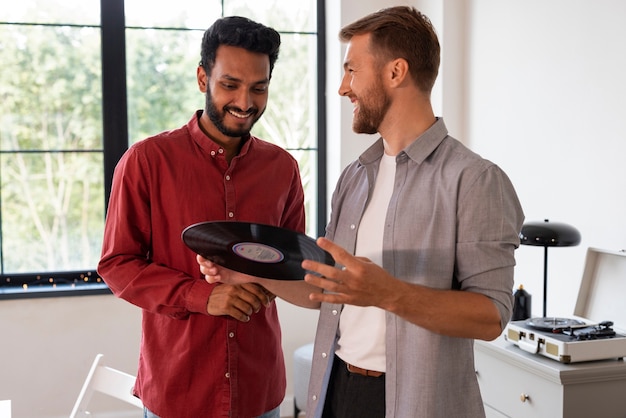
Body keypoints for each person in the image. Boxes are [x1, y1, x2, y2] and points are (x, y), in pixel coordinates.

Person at [200, 5, 525, 418]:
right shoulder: (355, 178)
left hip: (417, 403)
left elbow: (491, 316)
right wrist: (244, 271)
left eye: (352, 70)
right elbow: (325, 289)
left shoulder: (476, 179)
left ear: (395, 72)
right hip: (337, 391)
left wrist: (388, 293)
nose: (342, 88)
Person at [98, 16, 307, 418]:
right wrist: (204, 297)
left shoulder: (282, 169)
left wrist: (261, 283)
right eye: (230, 84)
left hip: (258, 392)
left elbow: (291, 265)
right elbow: (116, 264)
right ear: (202, 78)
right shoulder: (146, 162)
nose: (245, 102)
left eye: (258, 88)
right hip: (179, 391)